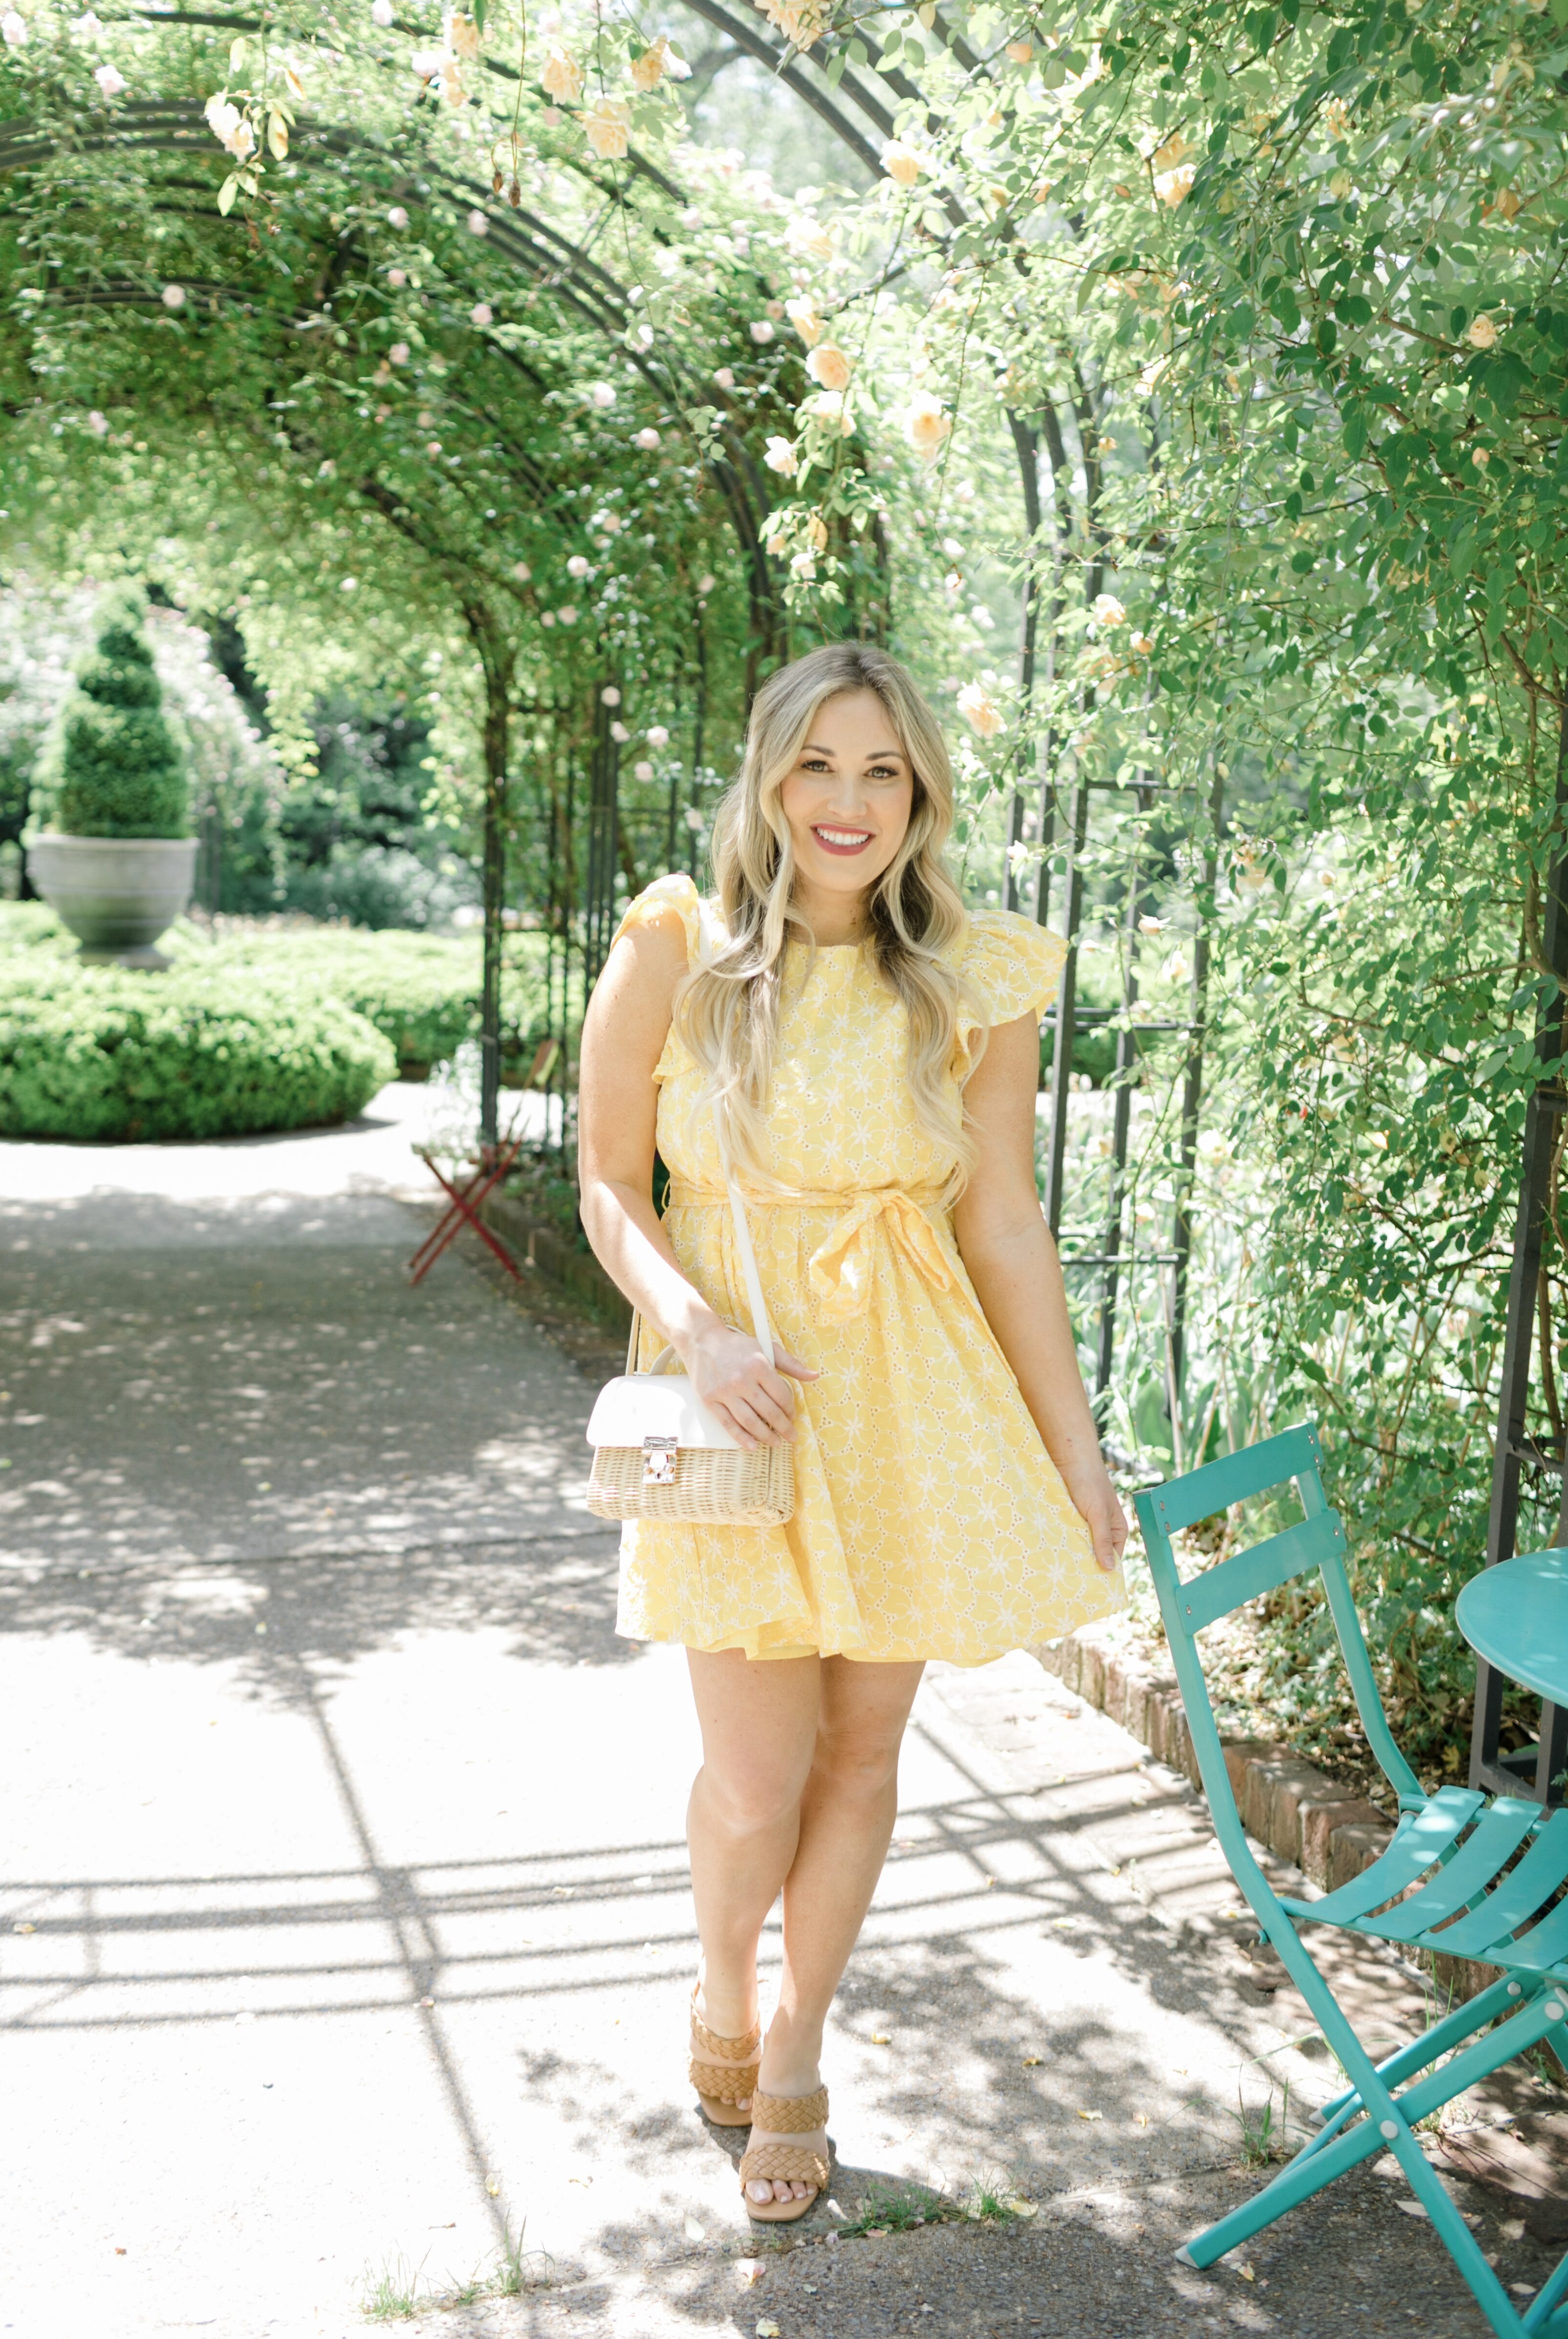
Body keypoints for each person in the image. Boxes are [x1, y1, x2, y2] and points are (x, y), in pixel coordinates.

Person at [578, 642, 1126, 2222]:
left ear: (920, 795)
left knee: (866, 1757)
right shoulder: (674, 946)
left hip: (910, 1402)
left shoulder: (971, 970)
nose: (847, 802)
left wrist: (1073, 1453)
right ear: (768, 775)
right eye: (819, 764)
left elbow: (1007, 1225)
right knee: (753, 1782)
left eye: (882, 771)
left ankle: (799, 2048)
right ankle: (722, 1983)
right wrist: (700, 1328)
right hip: (736, 1392)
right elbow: (614, 1182)